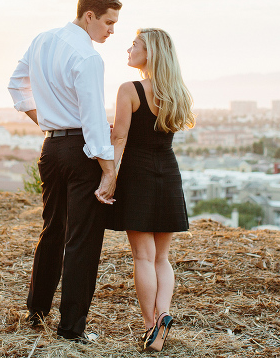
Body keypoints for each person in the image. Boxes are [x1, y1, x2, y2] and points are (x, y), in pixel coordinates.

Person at [7, 0, 122, 343]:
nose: (112, 31)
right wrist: (109, 169)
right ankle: (71, 329)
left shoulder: (43, 40)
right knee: (83, 240)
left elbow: (16, 87)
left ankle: (36, 312)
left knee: (52, 230)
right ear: (90, 15)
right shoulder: (88, 57)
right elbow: (91, 119)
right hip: (81, 151)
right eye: (108, 22)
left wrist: (45, 121)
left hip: (51, 149)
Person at [105, 28, 194, 351]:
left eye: (135, 45)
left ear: (150, 53)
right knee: (162, 257)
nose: (129, 49)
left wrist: (109, 176)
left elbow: (120, 139)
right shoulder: (178, 93)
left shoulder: (129, 89)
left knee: (142, 256)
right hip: (168, 173)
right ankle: (165, 313)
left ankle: (150, 326)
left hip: (138, 175)